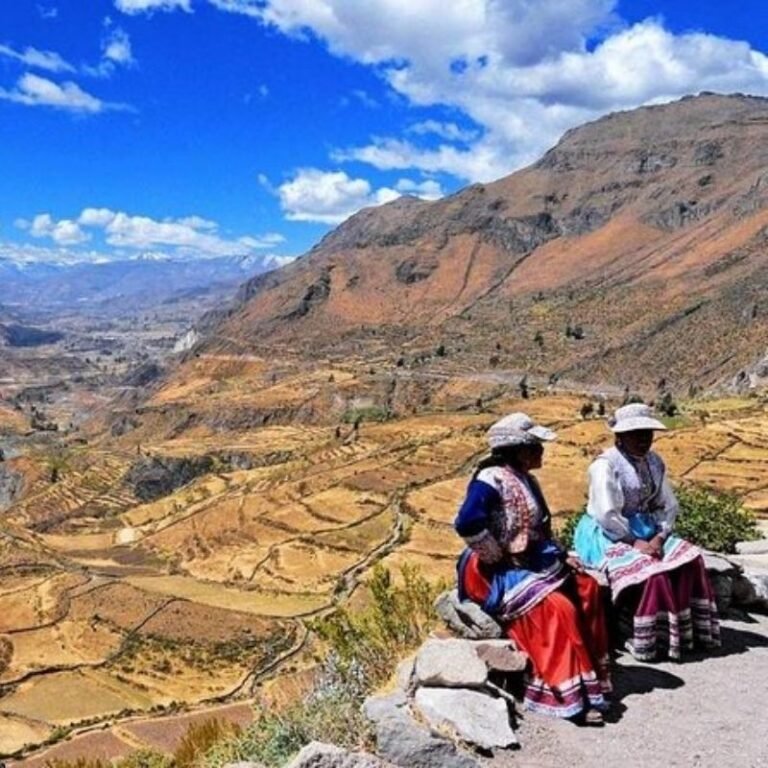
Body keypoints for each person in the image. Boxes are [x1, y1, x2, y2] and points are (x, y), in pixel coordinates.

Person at [454, 413, 611, 724]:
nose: (541, 451)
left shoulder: (528, 480)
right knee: (558, 609)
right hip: (493, 571)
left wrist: (560, 554)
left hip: (531, 560)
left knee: (588, 588)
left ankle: (592, 674)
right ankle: (568, 695)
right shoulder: (491, 480)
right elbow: (467, 522)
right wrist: (495, 554)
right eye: (535, 446)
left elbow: (538, 528)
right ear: (518, 449)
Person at [573, 403, 720, 661]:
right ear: (619, 436)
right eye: (636, 433)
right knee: (650, 570)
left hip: (648, 530)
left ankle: (684, 633)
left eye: (647, 433)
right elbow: (606, 513)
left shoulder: (654, 462)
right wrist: (635, 541)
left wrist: (660, 535)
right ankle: (641, 635)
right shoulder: (605, 466)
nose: (643, 439)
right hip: (607, 533)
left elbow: (667, 504)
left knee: (691, 559)